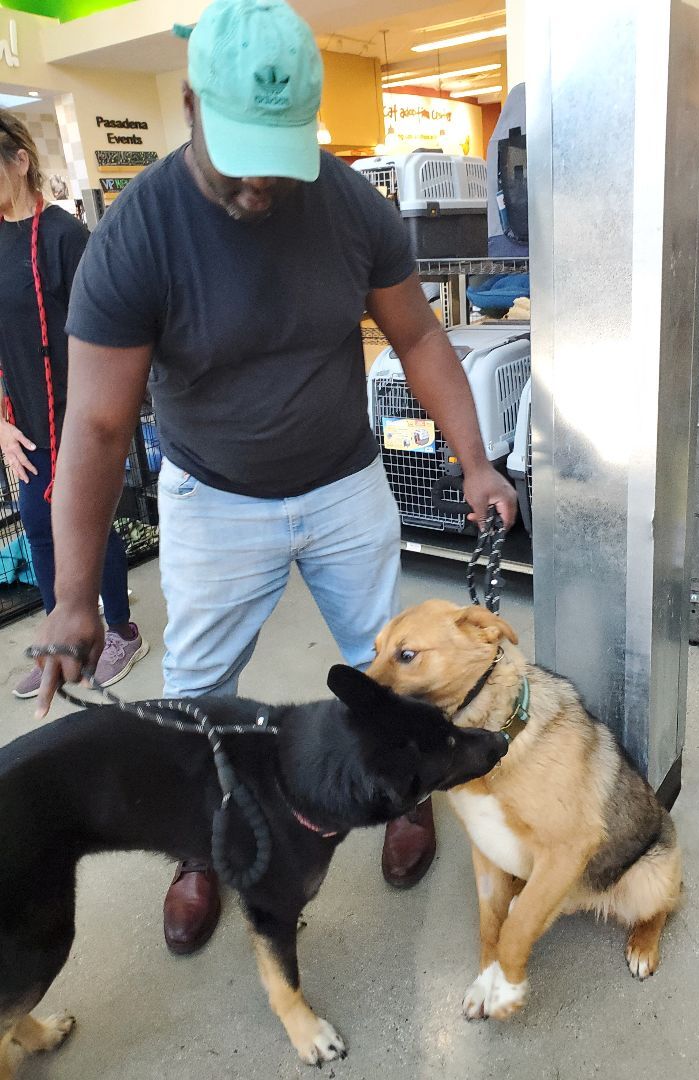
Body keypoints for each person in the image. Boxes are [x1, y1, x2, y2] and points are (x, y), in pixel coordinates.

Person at [32, 0, 517, 957]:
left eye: (283, 150)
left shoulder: (347, 205)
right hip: (214, 501)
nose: (263, 180)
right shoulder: (136, 241)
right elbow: (92, 424)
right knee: (202, 690)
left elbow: (418, 335)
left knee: (399, 667)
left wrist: (474, 458)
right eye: (243, 148)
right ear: (188, 105)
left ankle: (406, 791)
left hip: (343, 486)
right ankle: (204, 850)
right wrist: (74, 596)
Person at [0, 108, 148, 698]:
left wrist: (99, 421)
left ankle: (119, 629)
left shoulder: (64, 236)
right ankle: (64, 632)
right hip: (26, 421)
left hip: (78, 415)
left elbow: (106, 332)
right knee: (39, 526)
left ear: (20, 161)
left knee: (87, 524)